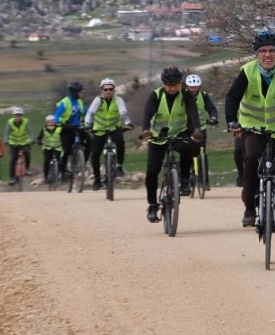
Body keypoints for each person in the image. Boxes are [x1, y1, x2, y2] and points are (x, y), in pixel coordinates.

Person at [226, 31, 275, 234]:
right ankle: (249, 208)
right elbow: (232, 97)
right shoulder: (247, 72)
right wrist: (232, 121)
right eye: (263, 51)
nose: (267, 55)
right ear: (256, 54)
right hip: (252, 127)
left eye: (272, 51)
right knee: (252, 157)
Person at [139, 66, 202, 222]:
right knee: (152, 171)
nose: (172, 88)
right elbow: (147, 113)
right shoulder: (156, 96)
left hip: (179, 132)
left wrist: (196, 130)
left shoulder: (186, 95)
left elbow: (193, 112)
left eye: (175, 84)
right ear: (163, 83)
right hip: (158, 136)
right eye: (169, 85)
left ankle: (185, 181)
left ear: (180, 83)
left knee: (188, 147)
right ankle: (153, 205)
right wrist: (146, 130)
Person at [85, 78, 134, 191]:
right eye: (105, 89)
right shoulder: (98, 100)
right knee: (95, 155)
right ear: (101, 90)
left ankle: (119, 166)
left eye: (111, 89)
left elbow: (123, 112)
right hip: (99, 130)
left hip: (114, 128)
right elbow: (90, 113)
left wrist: (128, 123)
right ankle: (97, 179)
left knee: (120, 142)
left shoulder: (118, 100)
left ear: (114, 89)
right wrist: (87, 124)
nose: (108, 91)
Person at [185, 73, 218, 188]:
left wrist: (213, 117)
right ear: (187, 86)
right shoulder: (183, 96)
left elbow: (211, 108)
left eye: (195, 86)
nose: (193, 89)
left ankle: (204, 181)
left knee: (202, 154)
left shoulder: (204, 96)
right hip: (186, 129)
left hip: (201, 129)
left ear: (199, 86)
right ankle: (187, 177)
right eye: (191, 87)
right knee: (187, 152)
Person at [53, 81, 88, 171]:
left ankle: (83, 162)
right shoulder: (65, 102)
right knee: (66, 150)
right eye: (81, 92)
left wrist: (92, 116)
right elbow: (57, 115)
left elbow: (85, 111)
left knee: (90, 142)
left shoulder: (79, 101)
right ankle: (62, 170)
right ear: (75, 92)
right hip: (66, 129)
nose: (82, 93)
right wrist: (59, 122)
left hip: (77, 128)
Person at [2, 107, 33, 186]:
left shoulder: (26, 121)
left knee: (27, 153)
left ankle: (28, 168)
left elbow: (30, 131)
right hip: (13, 143)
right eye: (16, 115)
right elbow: (7, 132)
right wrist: (6, 140)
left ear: (22, 116)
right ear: (14, 116)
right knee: (12, 160)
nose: (18, 117)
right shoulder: (10, 122)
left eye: (19, 115)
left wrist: (31, 139)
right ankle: (12, 178)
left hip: (24, 142)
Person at [36, 115, 63, 183]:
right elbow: (39, 137)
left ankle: (60, 174)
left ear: (55, 122)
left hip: (58, 147)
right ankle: (46, 176)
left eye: (52, 122)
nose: (51, 123)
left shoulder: (58, 128)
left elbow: (64, 137)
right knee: (47, 161)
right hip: (47, 148)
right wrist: (39, 142)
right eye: (49, 122)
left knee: (59, 161)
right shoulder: (44, 129)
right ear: (46, 122)